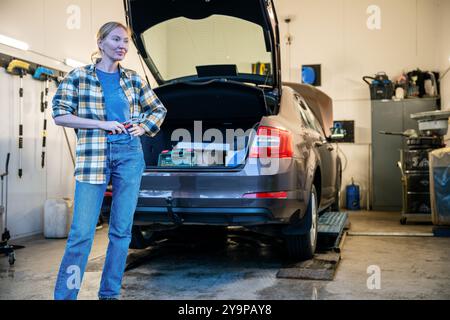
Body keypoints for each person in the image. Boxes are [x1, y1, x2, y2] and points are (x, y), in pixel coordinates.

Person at [52, 21, 167, 300]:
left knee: (121, 232)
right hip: (94, 156)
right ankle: (65, 296)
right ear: (100, 42)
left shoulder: (133, 79)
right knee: (81, 234)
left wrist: (145, 127)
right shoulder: (79, 76)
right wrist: (101, 124)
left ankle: (109, 293)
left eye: (126, 42)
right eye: (116, 40)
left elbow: (158, 109)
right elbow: (59, 114)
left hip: (129, 156)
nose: (122, 46)